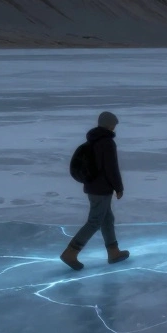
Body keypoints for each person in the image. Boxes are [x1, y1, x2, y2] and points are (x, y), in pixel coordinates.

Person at [60, 111, 130, 270]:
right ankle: (70, 252)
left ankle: (113, 252)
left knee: (107, 219)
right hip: (102, 188)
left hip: (92, 186)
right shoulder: (106, 142)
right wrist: (118, 188)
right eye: (114, 124)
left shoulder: (93, 140)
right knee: (95, 221)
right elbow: (111, 168)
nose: (114, 127)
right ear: (109, 124)